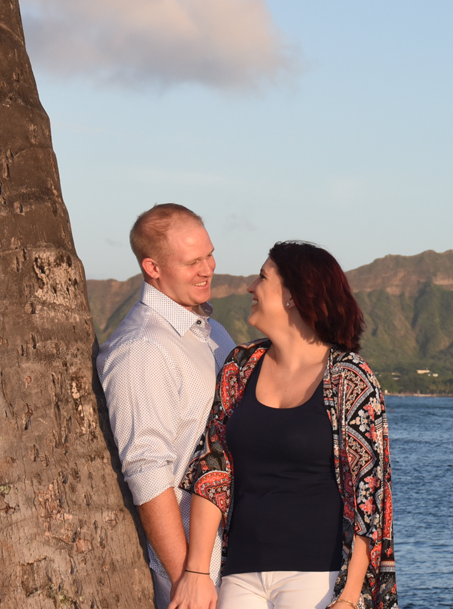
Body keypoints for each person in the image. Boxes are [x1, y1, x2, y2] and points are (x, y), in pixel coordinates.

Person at [173, 241, 397, 609]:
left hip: (317, 577)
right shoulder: (241, 366)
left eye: (262, 277)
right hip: (240, 573)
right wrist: (196, 572)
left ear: (293, 295)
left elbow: (367, 496)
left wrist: (349, 598)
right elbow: (213, 470)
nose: (250, 287)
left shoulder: (349, 377)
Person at [96, 204, 236, 609]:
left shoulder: (214, 334)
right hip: (196, 568)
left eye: (209, 254)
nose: (208, 268)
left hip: (237, 557)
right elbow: (147, 468)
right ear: (153, 267)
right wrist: (185, 576)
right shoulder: (142, 349)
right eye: (192, 261)